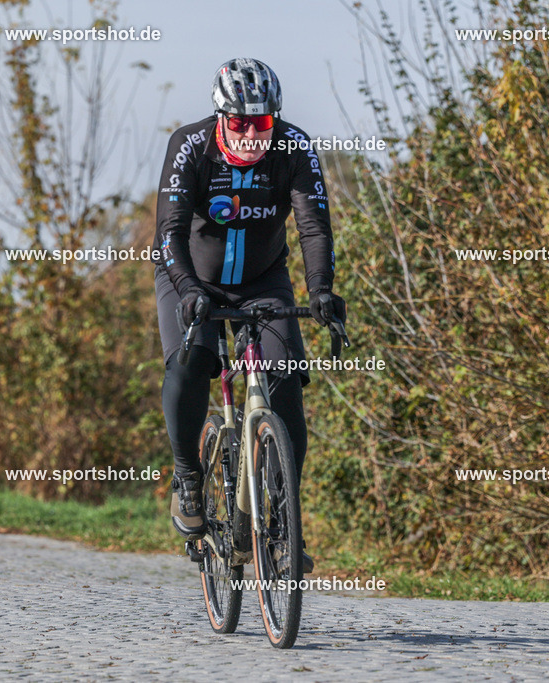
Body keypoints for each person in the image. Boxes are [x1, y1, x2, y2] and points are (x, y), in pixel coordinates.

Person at [152, 58, 345, 574]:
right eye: (239, 123)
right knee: (190, 363)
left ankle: (283, 523)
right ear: (220, 117)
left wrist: (322, 290)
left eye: (262, 124)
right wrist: (189, 289)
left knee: (285, 383)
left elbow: (314, 229)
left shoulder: (294, 147)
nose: (252, 134)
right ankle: (189, 477)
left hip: (263, 282)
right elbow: (168, 234)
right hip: (189, 278)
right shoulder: (190, 145)